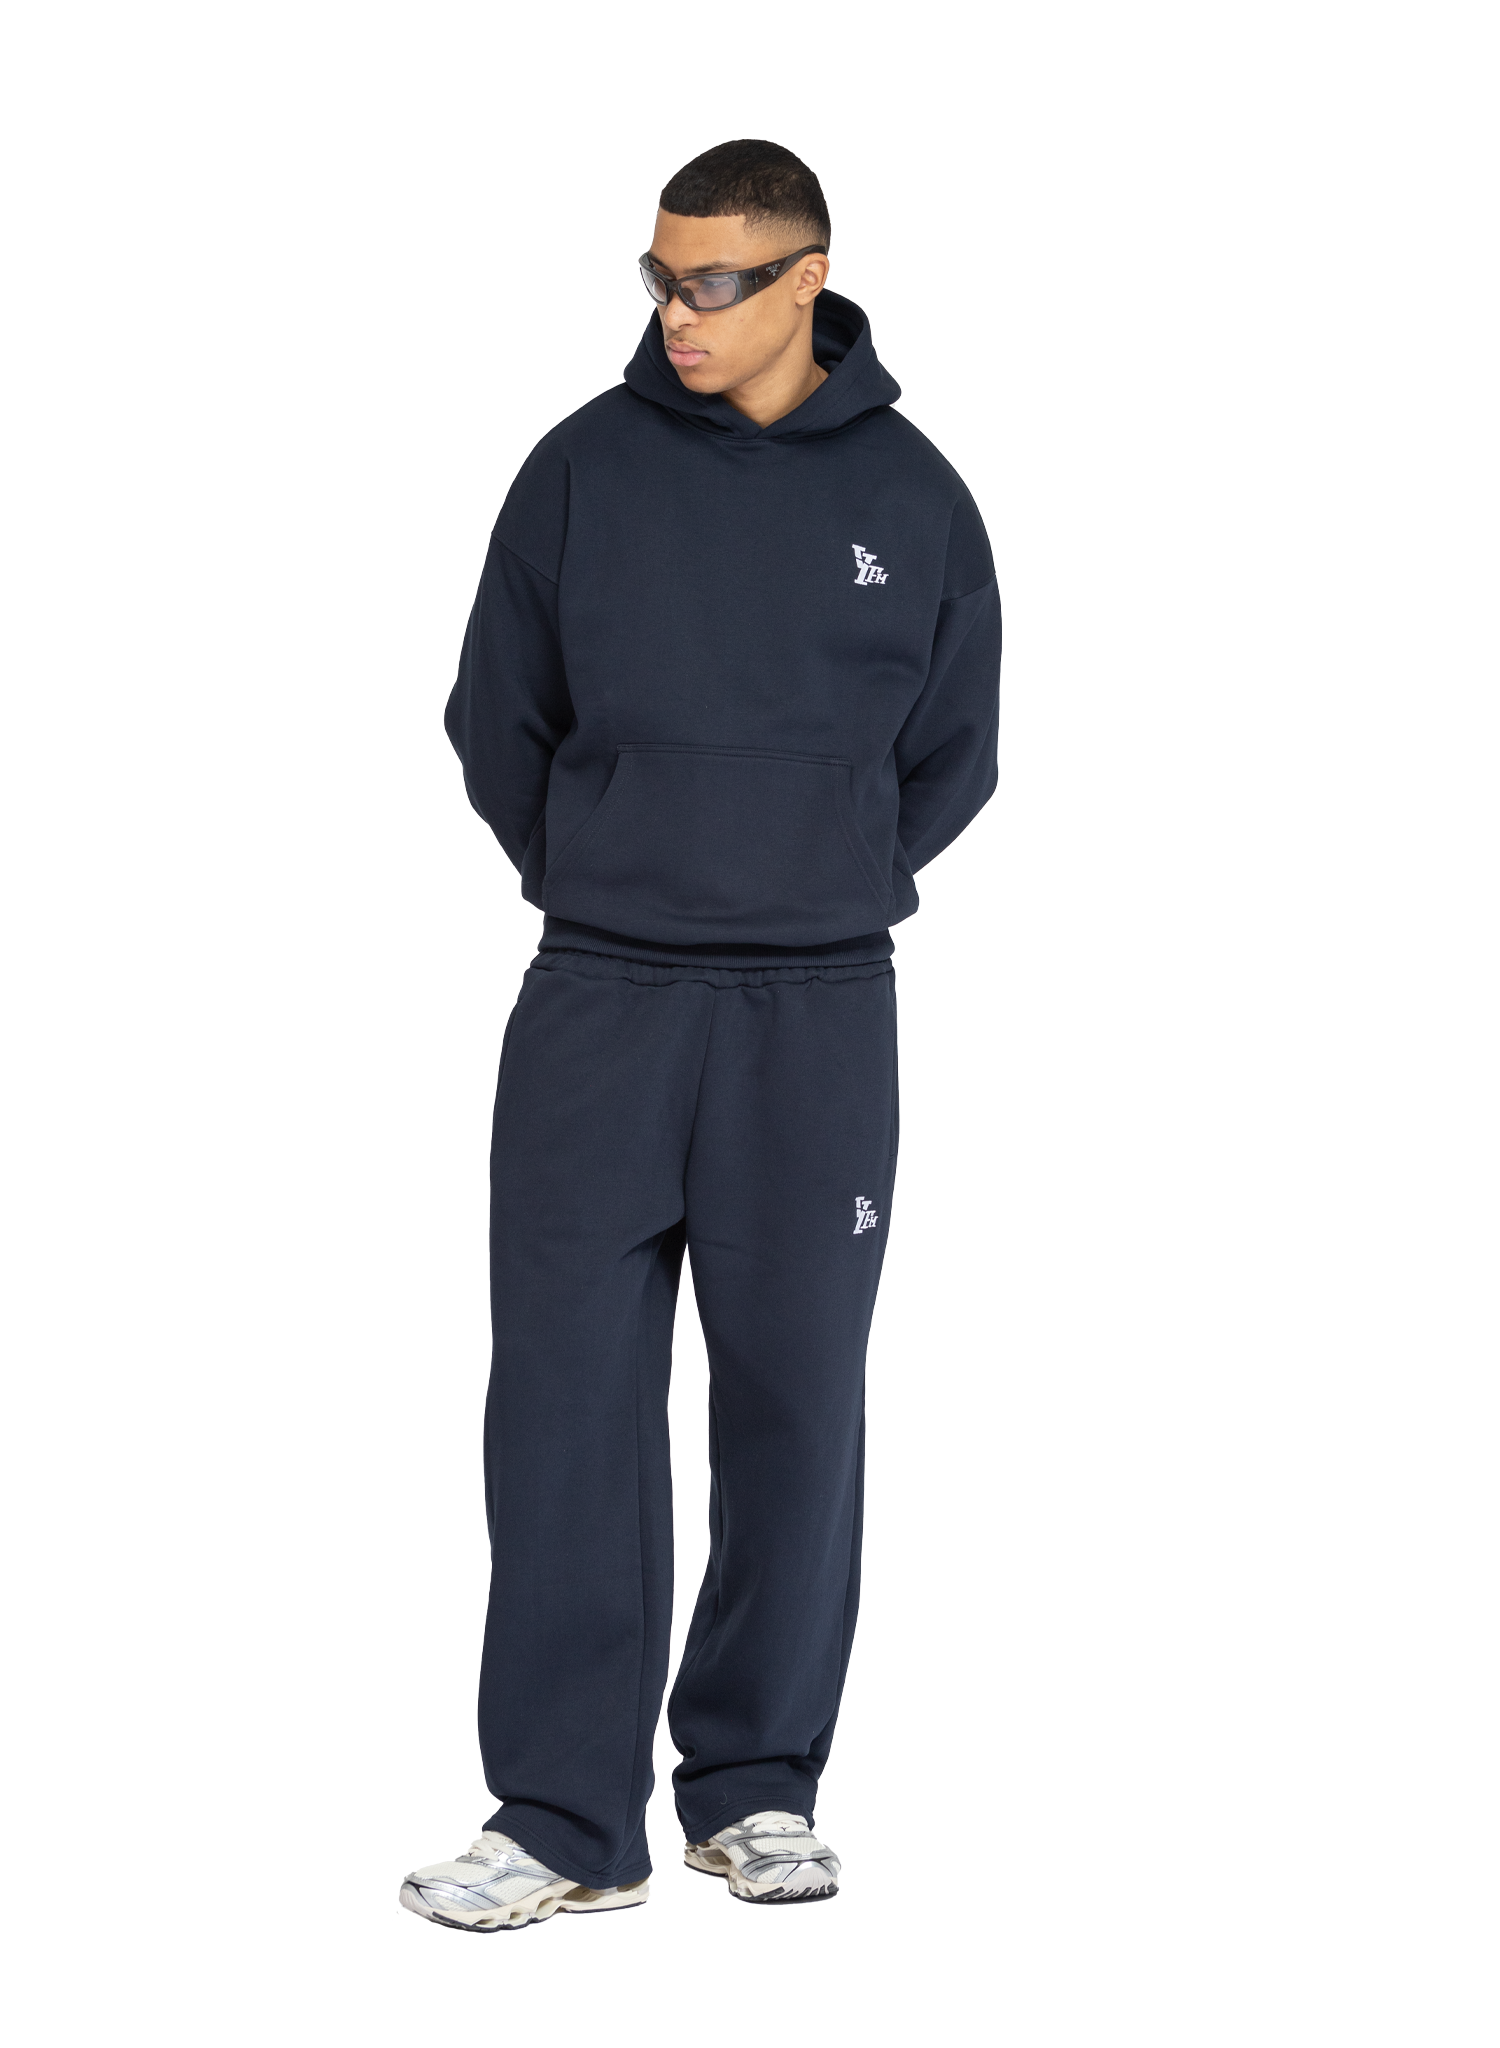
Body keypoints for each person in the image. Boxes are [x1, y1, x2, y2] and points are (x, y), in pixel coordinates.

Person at [401, 138, 1000, 1932]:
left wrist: (812, 879)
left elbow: (956, 750)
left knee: (796, 1402)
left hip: (817, 1012)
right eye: (661, 275)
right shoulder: (581, 468)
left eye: (715, 280)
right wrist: (613, 869)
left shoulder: (914, 494)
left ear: (808, 278)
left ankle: (752, 1786)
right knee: (564, 1406)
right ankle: (562, 1820)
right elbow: (497, 716)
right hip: (600, 996)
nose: (677, 309)